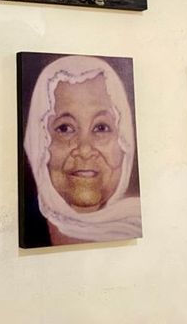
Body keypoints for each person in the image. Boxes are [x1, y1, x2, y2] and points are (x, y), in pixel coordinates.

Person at [22, 55, 142, 247]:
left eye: (101, 128)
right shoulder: (25, 230)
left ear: (125, 143)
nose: (85, 150)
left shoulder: (138, 224)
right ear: (38, 144)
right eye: (64, 129)